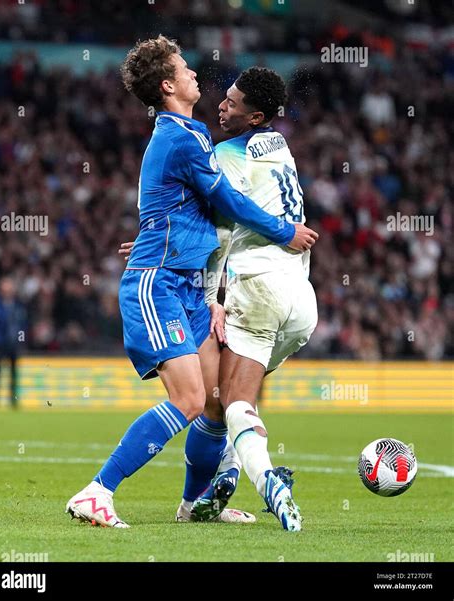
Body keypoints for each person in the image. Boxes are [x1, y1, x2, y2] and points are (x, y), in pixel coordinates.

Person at [66, 36, 318, 528]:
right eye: (184, 69)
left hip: (184, 281)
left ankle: (193, 505)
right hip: (158, 283)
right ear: (167, 85)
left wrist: (158, 237)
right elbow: (228, 203)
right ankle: (97, 491)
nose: (195, 75)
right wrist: (285, 230)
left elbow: (195, 212)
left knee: (218, 401)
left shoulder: (189, 132)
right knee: (187, 400)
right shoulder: (182, 137)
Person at [189, 67, 319, 531]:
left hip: (259, 284)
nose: (222, 105)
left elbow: (223, 230)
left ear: (256, 115)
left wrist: (211, 297)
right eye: (224, 97)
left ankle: (269, 485)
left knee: (231, 401)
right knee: (232, 399)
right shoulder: (279, 144)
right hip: (302, 300)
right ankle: (225, 474)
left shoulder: (227, 153)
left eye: (233, 102)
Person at [0, 276, 27, 408]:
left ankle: (13, 399)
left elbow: (23, 322)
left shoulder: (17, 304)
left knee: (13, 372)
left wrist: (21, 337)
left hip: (13, 343)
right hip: (0, 343)